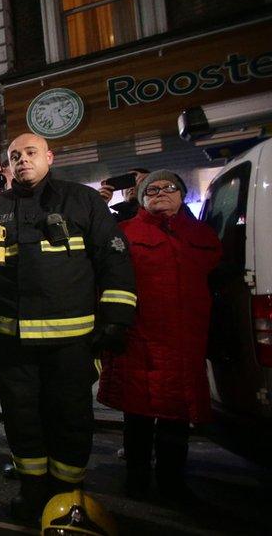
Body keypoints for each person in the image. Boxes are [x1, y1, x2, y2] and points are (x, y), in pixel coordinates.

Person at [0, 133, 137, 523]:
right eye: (14, 156)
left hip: (70, 343)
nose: (22, 160)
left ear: (49, 157)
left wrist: (116, 318)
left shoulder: (82, 201)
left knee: (70, 419)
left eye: (30, 153)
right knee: (21, 421)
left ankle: (67, 495)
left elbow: (114, 260)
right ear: (7, 165)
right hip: (12, 344)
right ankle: (32, 491)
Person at [97, 171, 221, 502]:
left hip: (184, 342)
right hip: (139, 340)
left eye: (169, 188)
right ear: (140, 197)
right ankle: (136, 479)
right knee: (137, 417)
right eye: (152, 189)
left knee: (176, 420)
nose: (161, 193)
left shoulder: (201, 234)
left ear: (182, 195)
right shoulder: (124, 233)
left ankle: (172, 482)